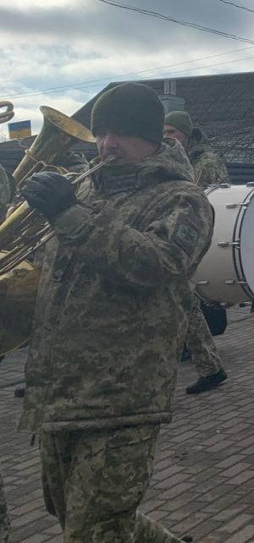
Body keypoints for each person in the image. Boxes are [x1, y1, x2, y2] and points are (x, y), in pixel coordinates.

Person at [17, 82, 214, 543]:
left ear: (152, 139)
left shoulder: (181, 198)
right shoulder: (83, 189)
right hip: (59, 389)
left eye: (121, 133)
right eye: (102, 131)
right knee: (72, 513)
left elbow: (160, 263)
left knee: (94, 527)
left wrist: (70, 217)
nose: (107, 144)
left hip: (122, 394)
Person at [163, 110, 229, 394]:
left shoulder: (207, 162)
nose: (167, 138)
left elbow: (212, 200)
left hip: (192, 235)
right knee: (185, 301)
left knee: (183, 297)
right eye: (163, 133)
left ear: (186, 136)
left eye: (172, 133)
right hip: (172, 234)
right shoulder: (170, 160)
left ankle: (209, 366)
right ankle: (210, 366)